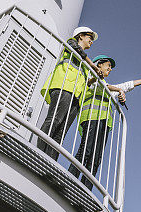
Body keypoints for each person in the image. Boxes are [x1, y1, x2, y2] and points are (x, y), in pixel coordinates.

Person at [70, 54, 141, 189]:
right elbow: (102, 85)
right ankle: (69, 179)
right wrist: (119, 90)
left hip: (104, 124)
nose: (110, 69)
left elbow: (127, 85)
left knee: (96, 158)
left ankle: (84, 189)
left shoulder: (107, 87)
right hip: (91, 119)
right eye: (108, 65)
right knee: (86, 151)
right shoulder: (91, 79)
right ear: (98, 65)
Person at [39, 25, 101, 159]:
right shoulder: (71, 43)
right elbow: (76, 48)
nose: (91, 41)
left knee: (62, 131)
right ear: (80, 36)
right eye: (89, 37)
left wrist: (94, 78)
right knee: (55, 120)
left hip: (77, 96)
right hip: (64, 86)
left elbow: (83, 80)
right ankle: (38, 153)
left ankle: (49, 161)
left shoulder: (84, 63)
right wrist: (93, 66)